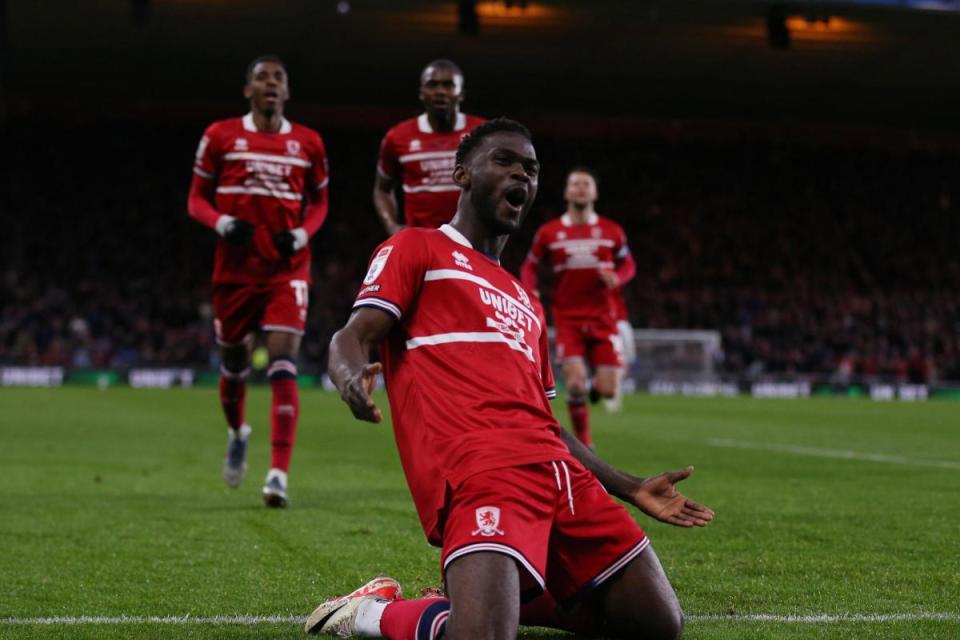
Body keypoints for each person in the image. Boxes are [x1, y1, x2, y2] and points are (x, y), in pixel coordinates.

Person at [308, 119, 713, 639]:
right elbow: (353, 335)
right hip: (483, 469)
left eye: (531, 168)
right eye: (504, 160)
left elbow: (548, 422)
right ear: (462, 175)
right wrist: (347, 379)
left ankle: (483, 596)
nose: (521, 173)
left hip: (563, 479)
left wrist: (631, 487)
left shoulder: (524, 299)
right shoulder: (417, 249)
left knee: (657, 626)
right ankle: (373, 613)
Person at [187, 55, 329, 508]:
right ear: (248, 90)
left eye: (279, 78)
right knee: (233, 364)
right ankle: (237, 432)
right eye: (261, 78)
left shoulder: (308, 142)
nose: (271, 84)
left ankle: (277, 475)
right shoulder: (220, 135)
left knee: (284, 360)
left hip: (287, 269)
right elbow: (196, 199)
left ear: (287, 92)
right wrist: (223, 223)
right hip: (234, 270)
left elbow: (321, 202)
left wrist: (303, 233)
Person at [519, 168, 636, 448]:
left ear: (594, 193)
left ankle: (597, 389)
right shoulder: (550, 232)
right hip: (568, 318)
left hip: (603, 318)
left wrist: (617, 278)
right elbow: (530, 266)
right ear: (567, 192)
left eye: (586, 184)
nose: (581, 188)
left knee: (608, 391)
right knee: (573, 384)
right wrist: (530, 288)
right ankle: (585, 445)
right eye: (575, 184)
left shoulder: (611, 231)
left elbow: (629, 265)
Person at [373, 59, 484, 235]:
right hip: (420, 240)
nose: (440, 92)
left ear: (461, 93)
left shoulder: (482, 134)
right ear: (421, 93)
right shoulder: (397, 137)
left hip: (471, 240)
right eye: (432, 85)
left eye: (448, 85)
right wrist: (391, 225)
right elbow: (382, 189)